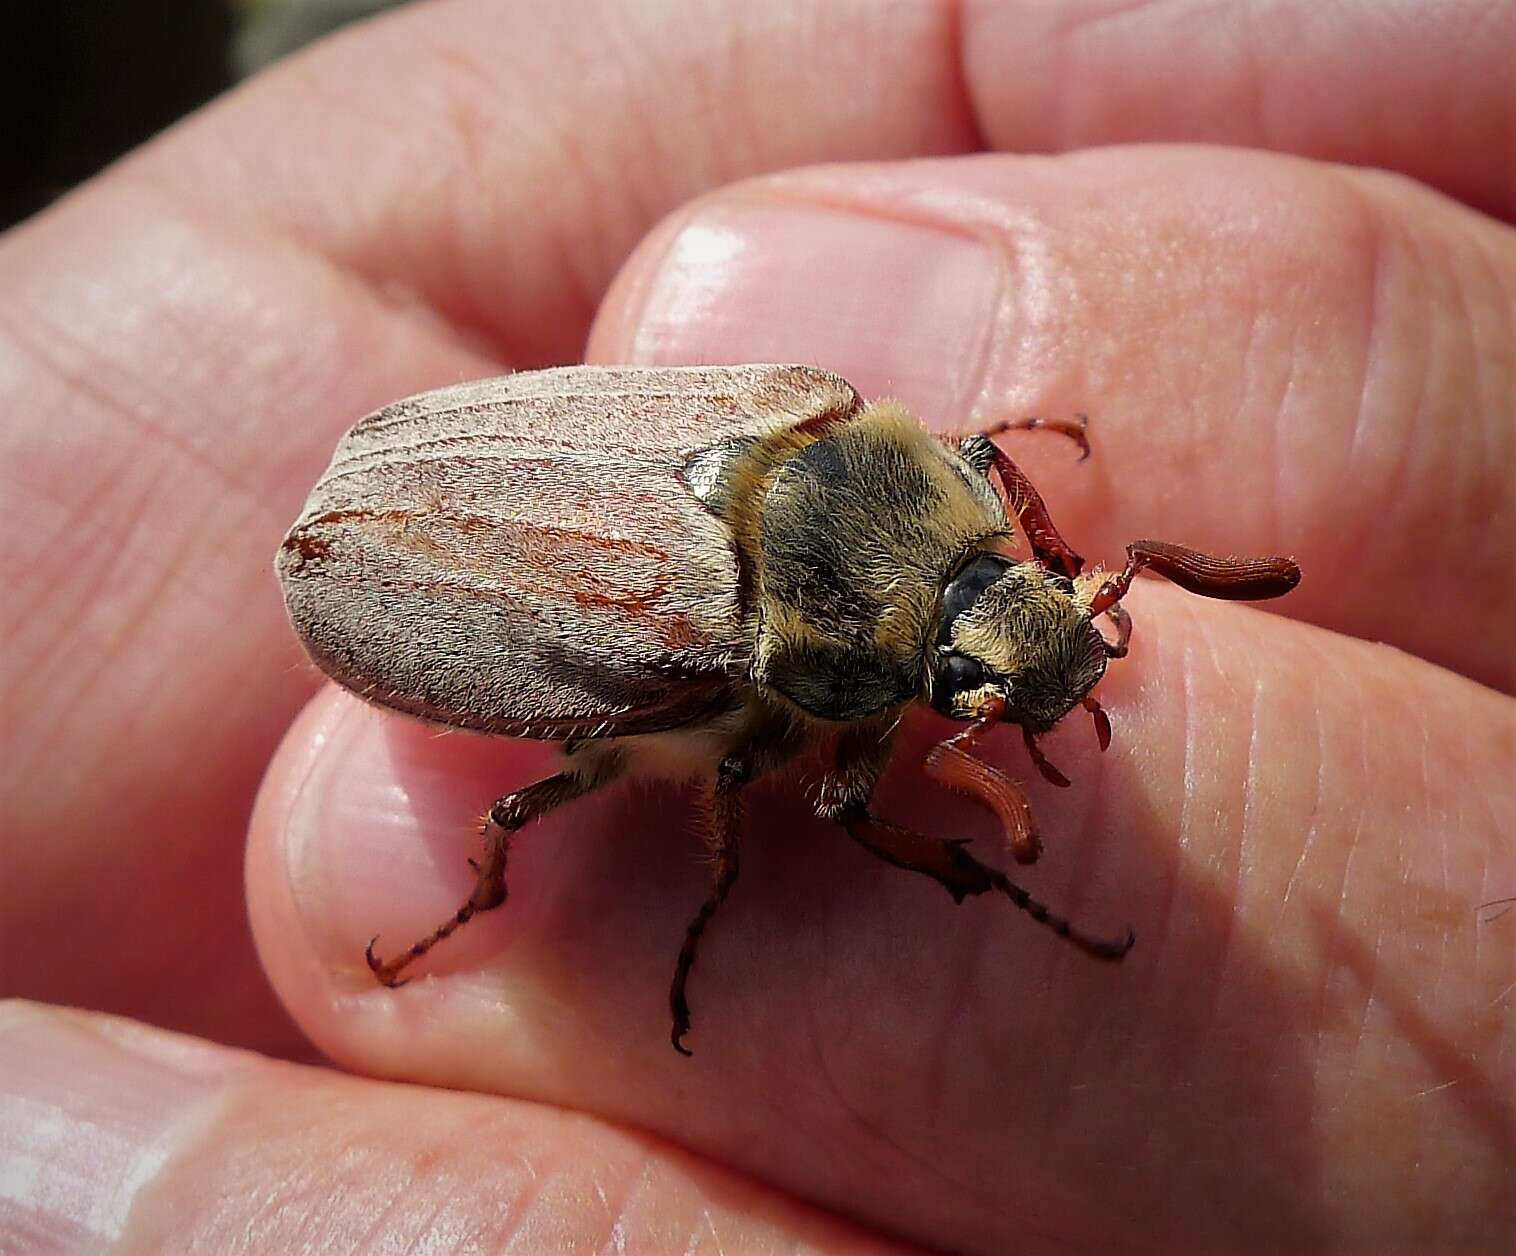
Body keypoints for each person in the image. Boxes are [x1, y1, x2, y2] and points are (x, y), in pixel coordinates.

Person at [2, 1, 1513, 1249]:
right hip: (394, 575)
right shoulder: (763, 653)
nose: (1040, 599)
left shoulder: (821, 415)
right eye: (983, 643)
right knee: (576, 795)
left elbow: (981, 471)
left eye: (1038, 582)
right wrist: (946, 865)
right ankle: (486, 888)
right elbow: (841, 794)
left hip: (431, 465)